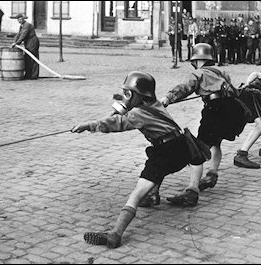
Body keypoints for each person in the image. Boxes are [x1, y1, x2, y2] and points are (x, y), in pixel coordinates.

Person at [71, 71, 210, 248]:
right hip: (180, 147)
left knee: (137, 192)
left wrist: (89, 125)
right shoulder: (156, 104)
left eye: (129, 94)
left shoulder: (137, 114)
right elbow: (123, 114)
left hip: (165, 151)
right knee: (157, 166)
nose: (126, 98)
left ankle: (115, 234)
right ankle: (154, 195)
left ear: (138, 95)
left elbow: (117, 123)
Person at [159, 43, 250, 203]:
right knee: (216, 143)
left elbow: (185, 88)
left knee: (198, 149)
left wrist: (168, 98)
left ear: (197, 60)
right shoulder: (222, 71)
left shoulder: (198, 73)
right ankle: (212, 174)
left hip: (215, 110)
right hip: (232, 108)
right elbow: (234, 91)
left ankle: (192, 191)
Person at [11, 13, 40, 80]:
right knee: (27, 58)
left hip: (32, 41)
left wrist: (17, 43)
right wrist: (14, 42)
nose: (20, 21)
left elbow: (23, 35)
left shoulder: (27, 25)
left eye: (21, 19)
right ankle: (28, 74)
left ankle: (34, 75)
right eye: (18, 20)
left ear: (23, 18)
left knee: (32, 58)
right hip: (28, 42)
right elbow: (18, 34)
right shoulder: (21, 26)